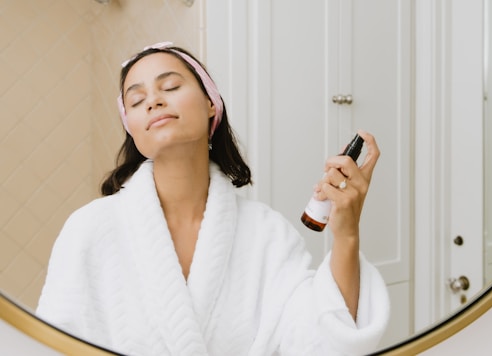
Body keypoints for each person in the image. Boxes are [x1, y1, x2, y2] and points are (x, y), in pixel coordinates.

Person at [37, 41, 389, 356]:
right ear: (132, 129)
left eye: (171, 86)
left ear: (211, 103)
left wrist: (346, 233)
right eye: (136, 100)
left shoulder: (267, 234)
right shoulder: (88, 230)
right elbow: (51, 345)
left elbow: (322, 343)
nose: (154, 101)